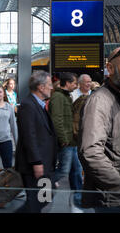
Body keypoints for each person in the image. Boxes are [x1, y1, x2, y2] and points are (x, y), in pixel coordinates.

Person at [79, 47, 120, 212]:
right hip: (112, 199)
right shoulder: (99, 101)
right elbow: (90, 152)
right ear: (110, 68)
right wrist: (118, 184)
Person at [15, 71, 57, 213]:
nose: (52, 88)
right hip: (34, 165)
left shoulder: (38, 105)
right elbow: (29, 136)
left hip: (43, 163)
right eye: (49, 85)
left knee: (43, 198)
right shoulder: (28, 105)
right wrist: (36, 162)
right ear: (40, 87)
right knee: (36, 203)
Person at [49, 72, 82, 204]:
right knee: (63, 171)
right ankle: (41, 185)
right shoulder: (58, 97)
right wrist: (63, 139)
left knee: (76, 170)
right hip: (66, 142)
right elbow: (57, 120)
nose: (76, 85)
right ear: (67, 83)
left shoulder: (65, 96)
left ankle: (78, 197)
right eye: (74, 83)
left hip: (70, 142)